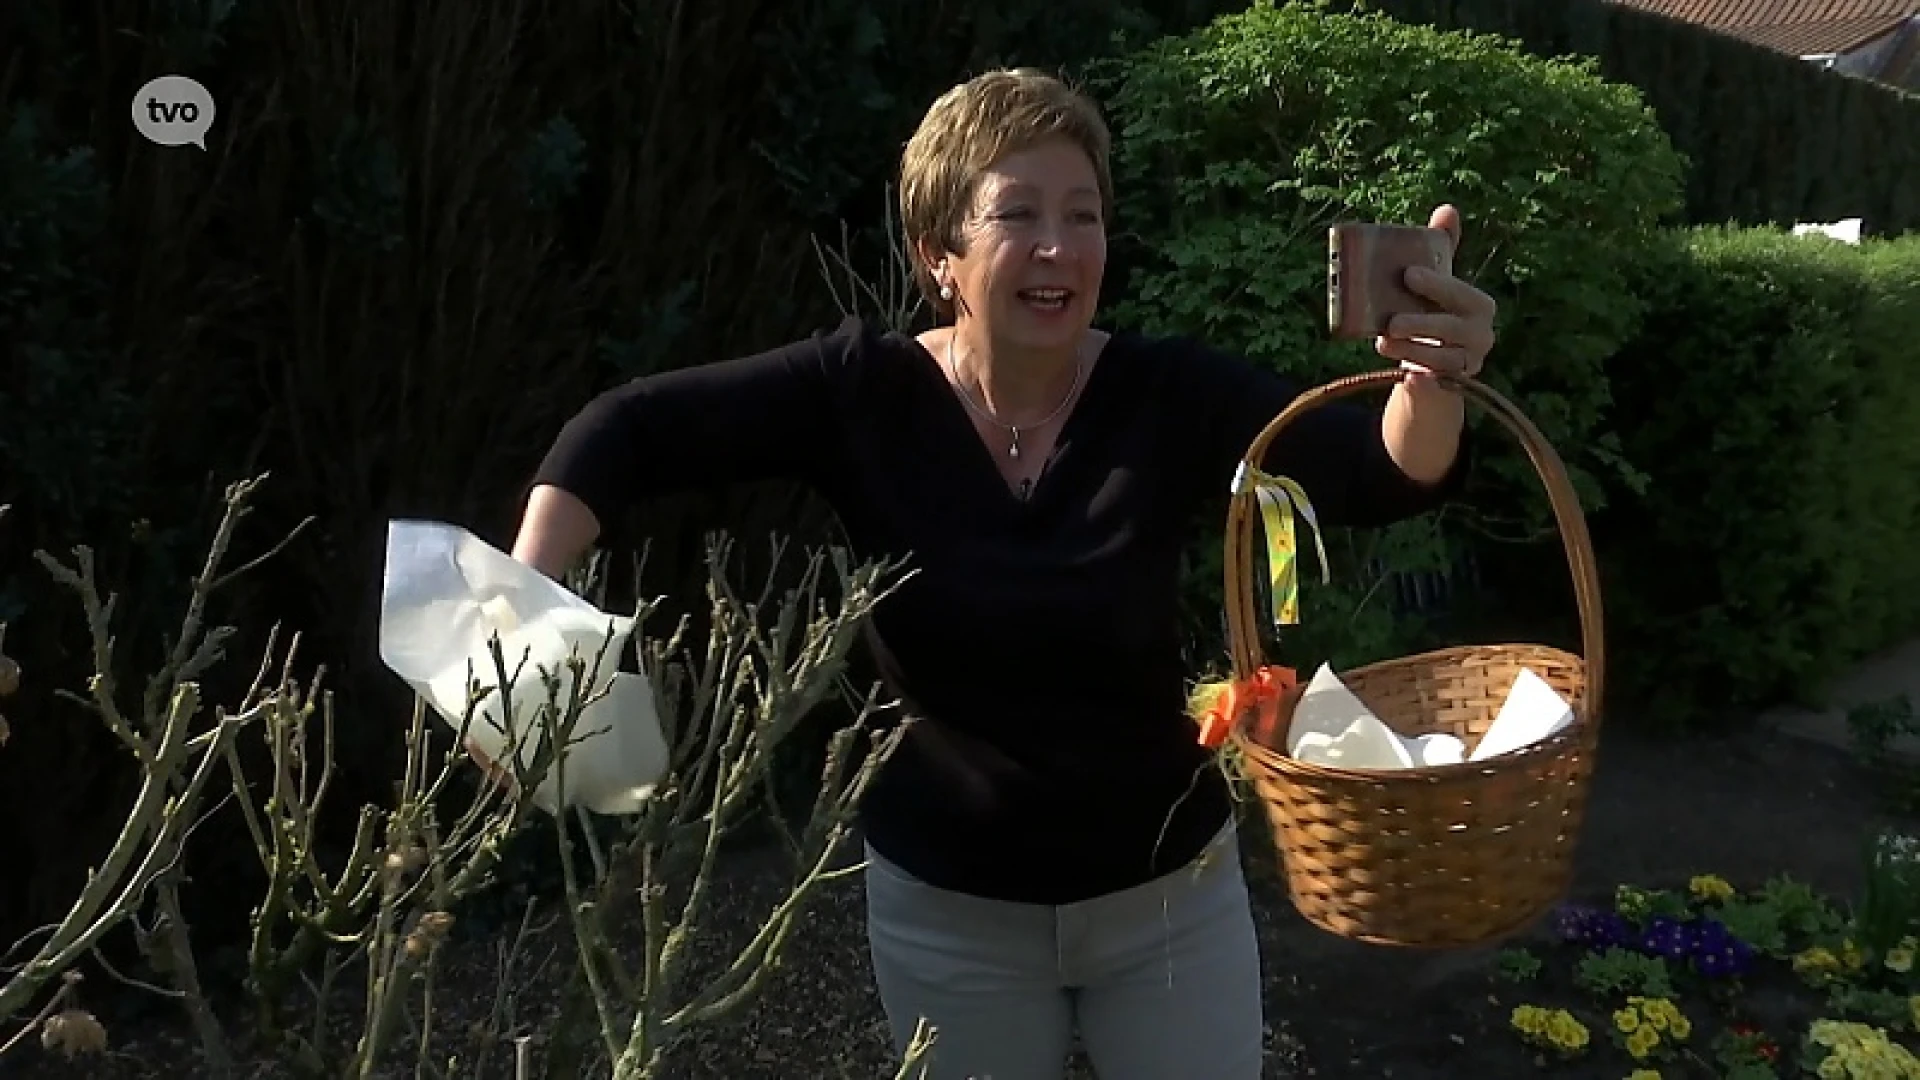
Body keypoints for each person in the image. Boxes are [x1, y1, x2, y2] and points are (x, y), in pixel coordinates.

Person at [510, 68, 1494, 1080]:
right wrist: (512, 635)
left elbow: (1381, 471)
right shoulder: (859, 395)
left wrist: (1433, 377)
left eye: (1084, 213)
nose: (1059, 246)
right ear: (938, 253)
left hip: (1165, 906)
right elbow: (620, 434)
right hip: (949, 918)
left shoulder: (1165, 394)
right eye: (1017, 213)